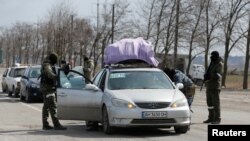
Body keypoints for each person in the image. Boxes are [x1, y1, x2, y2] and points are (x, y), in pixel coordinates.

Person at [40, 52, 67, 130]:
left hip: (46, 87)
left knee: (46, 106)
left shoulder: (47, 64)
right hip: (48, 89)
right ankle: (56, 124)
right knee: (52, 105)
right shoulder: (47, 65)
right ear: (53, 59)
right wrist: (56, 77)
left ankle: (45, 125)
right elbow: (50, 74)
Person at [203, 51, 223, 124]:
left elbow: (218, 75)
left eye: (212, 56)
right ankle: (211, 118)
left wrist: (210, 75)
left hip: (215, 87)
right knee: (210, 104)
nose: (211, 57)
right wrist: (206, 76)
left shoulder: (219, 64)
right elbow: (209, 73)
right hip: (209, 86)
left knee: (216, 104)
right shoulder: (212, 63)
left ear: (216, 56)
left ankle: (217, 119)